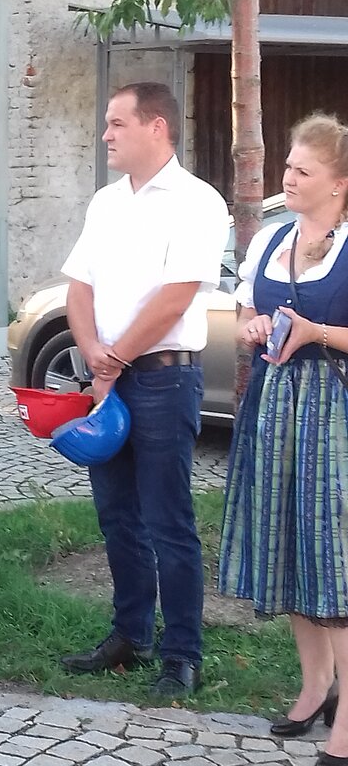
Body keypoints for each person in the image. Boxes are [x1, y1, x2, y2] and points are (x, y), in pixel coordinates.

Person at [58, 82, 229, 697]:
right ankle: (130, 634)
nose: (105, 134)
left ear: (157, 126)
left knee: (167, 520)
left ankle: (182, 653)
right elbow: (79, 285)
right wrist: (94, 354)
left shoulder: (197, 201)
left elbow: (176, 296)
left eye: (117, 123)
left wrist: (114, 359)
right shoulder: (105, 202)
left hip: (162, 378)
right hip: (109, 376)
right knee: (116, 515)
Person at [219, 114, 348, 765]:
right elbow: (249, 308)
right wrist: (252, 325)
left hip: (335, 412)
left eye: (302, 170)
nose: (288, 178)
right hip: (276, 407)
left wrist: (316, 333)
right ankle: (316, 685)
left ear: (339, 183)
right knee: (292, 548)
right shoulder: (272, 238)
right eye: (288, 166)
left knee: (334, 558)